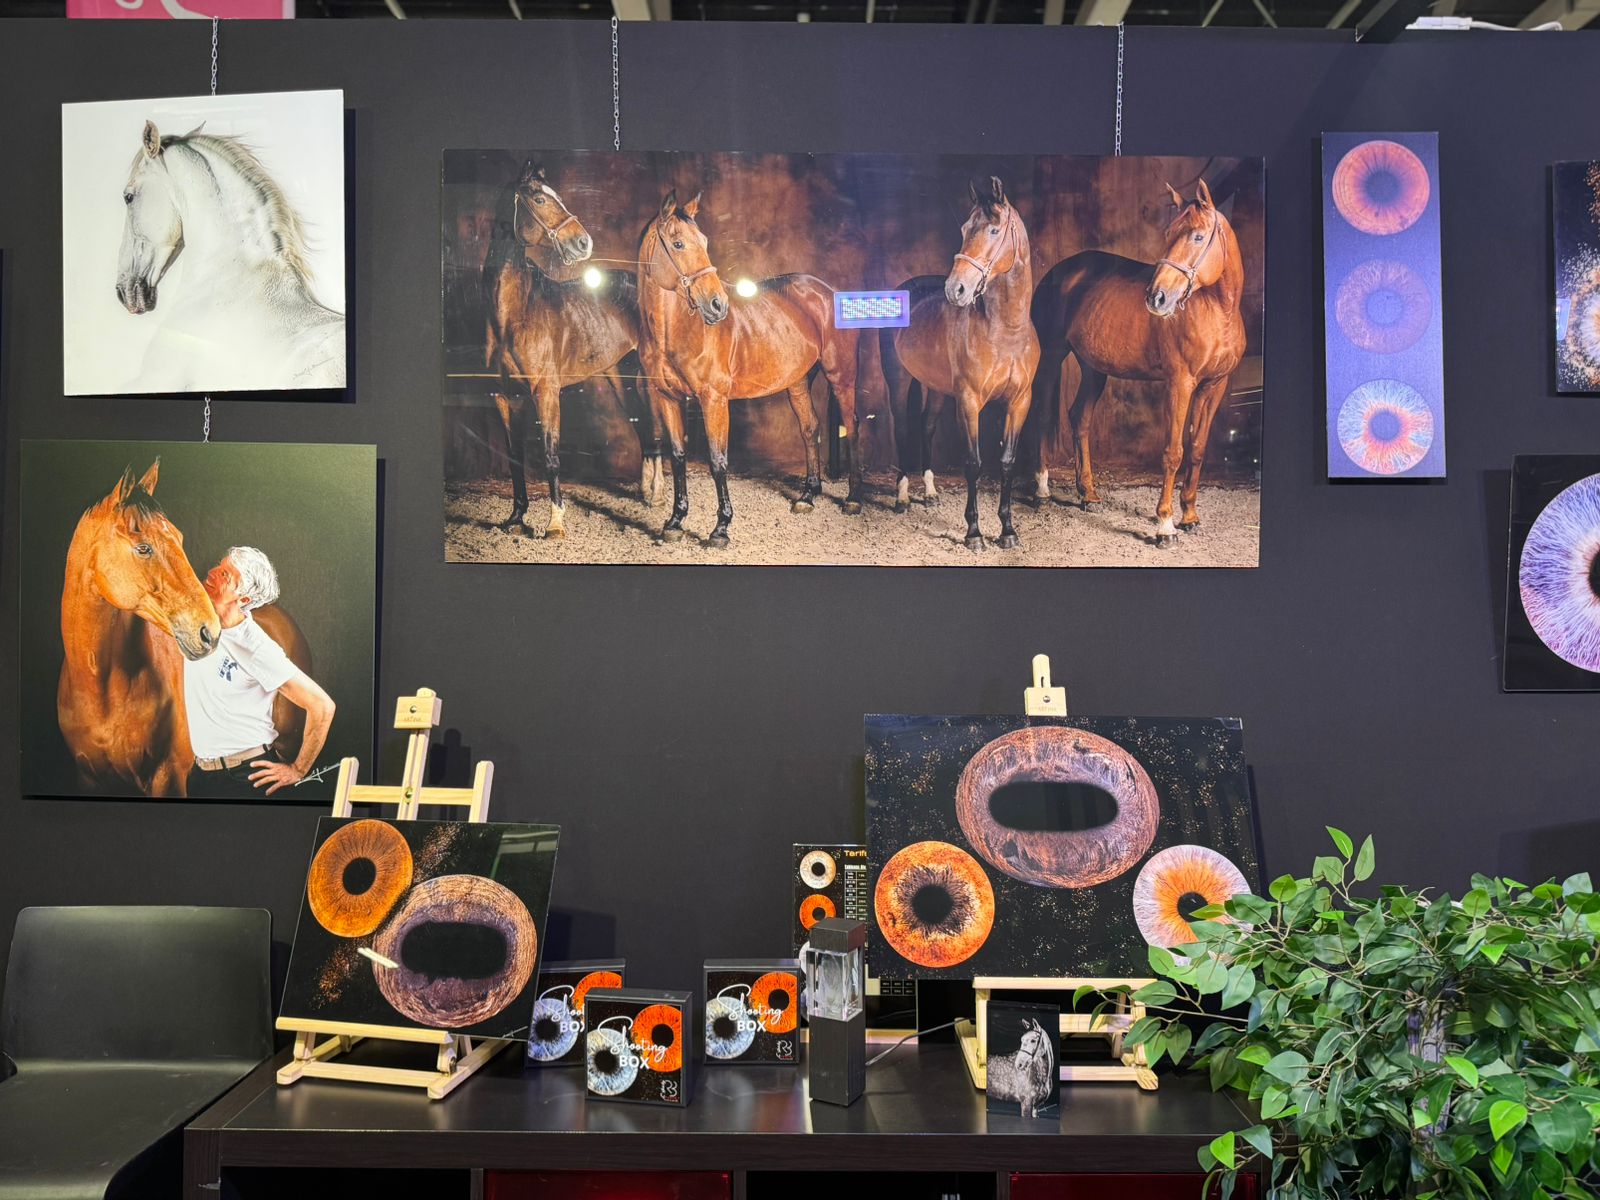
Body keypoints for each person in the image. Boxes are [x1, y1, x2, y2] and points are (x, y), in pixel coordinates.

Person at [183, 546, 336, 799]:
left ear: (244, 600)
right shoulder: (193, 622)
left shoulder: (256, 647)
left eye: (225, 575)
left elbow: (323, 706)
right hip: (200, 776)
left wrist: (298, 770)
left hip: (246, 778)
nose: (212, 572)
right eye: (219, 566)